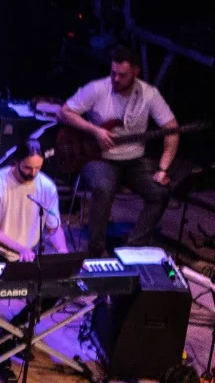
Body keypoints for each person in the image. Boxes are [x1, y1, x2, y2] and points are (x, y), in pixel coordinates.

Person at [58, 47, 178, 254]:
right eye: (113, 73)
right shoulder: (97, 89)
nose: (115, 79)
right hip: (99, 157)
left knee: (160, 193)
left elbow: (172, 130)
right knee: (103, 189)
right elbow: (64, 112)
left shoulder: (150, 95)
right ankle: (96, 251)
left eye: (122, 75)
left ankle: (134, 247)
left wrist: (163, 169)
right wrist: (95, 131)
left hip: (135, 160)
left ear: (135, 73)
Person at [0, 143, 68, 383]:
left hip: (24, 255)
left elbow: (54, 228)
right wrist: (20, 248)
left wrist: (63, 251)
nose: (32, 174)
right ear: (15, 162)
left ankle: (12, 332)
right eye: (27, 168)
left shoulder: (46, 187)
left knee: (58, 286)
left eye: (37, 168)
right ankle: (0, 351)